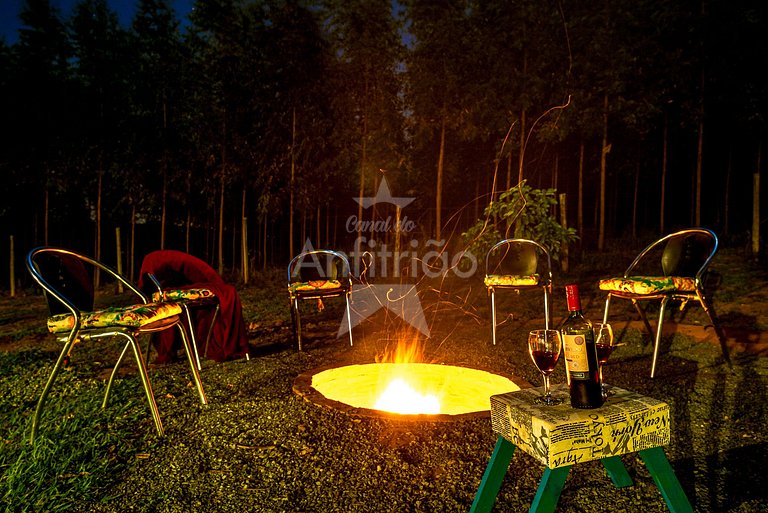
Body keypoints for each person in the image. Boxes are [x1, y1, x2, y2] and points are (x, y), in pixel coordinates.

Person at [138, 250, 250, 363]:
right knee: (224, 292)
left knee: (225, 292)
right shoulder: (152, 264)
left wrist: (216, 282)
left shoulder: (160, 261)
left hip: (185, 281)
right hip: (161, 286)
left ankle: (208, 345)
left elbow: (194, 267)